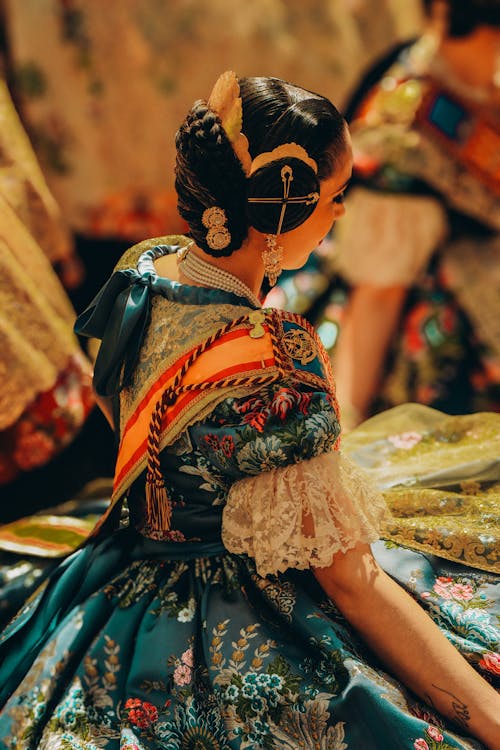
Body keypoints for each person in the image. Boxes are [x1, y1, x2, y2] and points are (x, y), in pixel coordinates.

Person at [0, 71, 498, 750]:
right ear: (285, 207)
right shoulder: (278, 361)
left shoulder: (144, 270)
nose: (343, 215)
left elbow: (117, 405)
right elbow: (352, 582)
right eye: (336, 196)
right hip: (239, 620)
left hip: (122, 580)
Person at [275, 0, 500, 430]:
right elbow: (378, 293)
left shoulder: (479, 80)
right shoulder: (406, 124)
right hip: (422, 380)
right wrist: (345, 433)